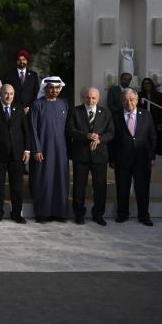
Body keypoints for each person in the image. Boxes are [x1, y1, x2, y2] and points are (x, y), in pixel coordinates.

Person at [66, 87, 114, 226]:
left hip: (99, 155)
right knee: (79, 186)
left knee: (100, 187)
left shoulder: (105, 113)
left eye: (93, 98)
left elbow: (111, 132)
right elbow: (69, 130)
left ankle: (98, 214)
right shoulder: (75, 111)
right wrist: (86, 135)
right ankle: (79, 214)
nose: (90, 100)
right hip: (81, 155)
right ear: (83, 98)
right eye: (88, 97)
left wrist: (100, 139)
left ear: (98, 98)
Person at [110, 88, 157, 226]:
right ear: (121, 101)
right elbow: (112, 140)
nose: (128, 102)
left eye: (131, 99)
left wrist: (152, 156)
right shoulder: (115, 116)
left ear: (136, 100)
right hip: (122, 159)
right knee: (122, 188)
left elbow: (153, 137)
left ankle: (144, 216)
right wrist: (112, 159)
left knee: (142, 189)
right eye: (125, 100)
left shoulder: (146, 115)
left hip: (142, 159)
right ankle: (122, 214)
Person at [0, 84, 29, 223]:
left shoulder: (19, 109)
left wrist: (27, 150)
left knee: (17, 186)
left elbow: (26, 131)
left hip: (17, 154)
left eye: (11, 94)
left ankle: (16, 213)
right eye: (6, 93)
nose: (9, 96)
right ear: (0, 93)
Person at [28, 76, 69, 223]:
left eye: (57, 88)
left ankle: (60, 213)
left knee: (60, 180)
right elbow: (32, 129)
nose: (54, 90)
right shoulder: (37, 104)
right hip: (43, 150)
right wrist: (36, 149)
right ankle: (42, 214)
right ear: (45, 88)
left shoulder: (64, 104)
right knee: (43, 181)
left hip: (61, 150)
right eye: (51, 87)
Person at [2, 49, 39, 115]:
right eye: (19, 60)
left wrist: (28, 107)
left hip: (29, 111)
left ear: (27, 61)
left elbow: (36, 93)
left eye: (24, 59)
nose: (21, 61)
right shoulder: (8, 75)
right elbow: (4, 92)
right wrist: (13, 107)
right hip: (13, 110)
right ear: (16, 61)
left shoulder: (33, 75)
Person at [138, 77, 162, 156]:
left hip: (156, 122)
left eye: (148, 83)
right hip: (144, 122)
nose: (147, 85)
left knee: (158, 143)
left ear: (152, 84)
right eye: (145, 83)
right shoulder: (140, 95)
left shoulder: (158, 95)